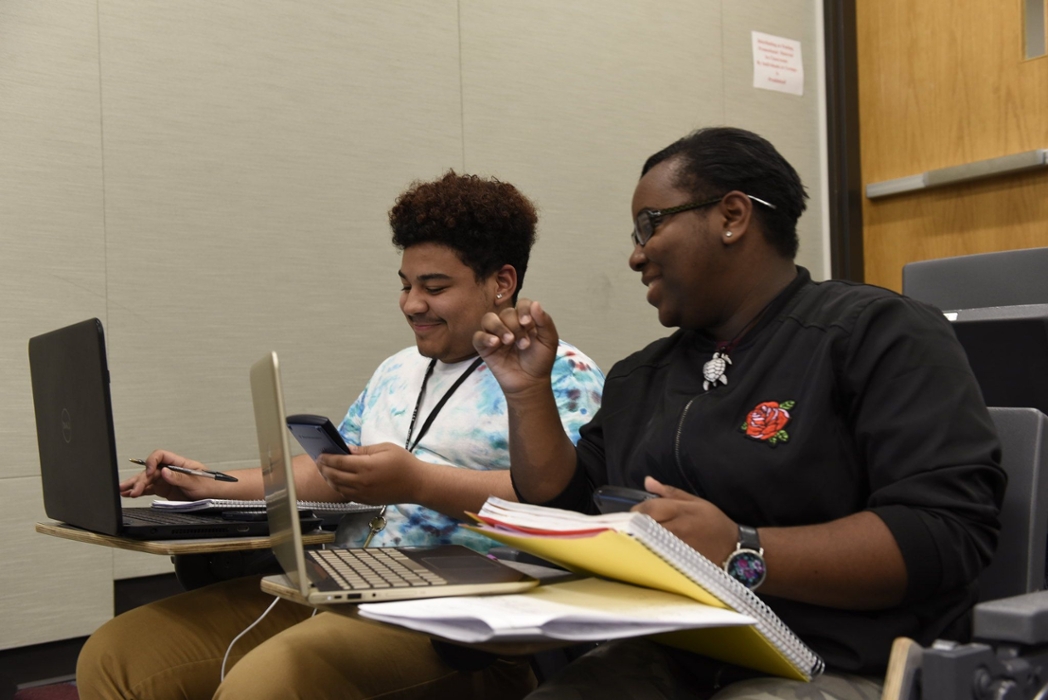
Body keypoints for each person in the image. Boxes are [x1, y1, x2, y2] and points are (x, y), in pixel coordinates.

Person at [473, 127, 1006, 699]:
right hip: (679, 655)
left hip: (842, 665)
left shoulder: (876, 332)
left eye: (651, 224)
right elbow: (569, 508)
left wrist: (741, 548)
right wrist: (527, 392)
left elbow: (945, 531)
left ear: (732, 216)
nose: (635, 255)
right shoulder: (640, 376)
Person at [77, 171, 605, 700]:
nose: (411, 304)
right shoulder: (397, 370)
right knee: (117, 656)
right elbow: (339, 473)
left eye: (435, 287)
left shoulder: (560, 374)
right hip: (341, 580)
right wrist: (210, 485)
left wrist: (417, 482)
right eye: (405, 284)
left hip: (461, 620)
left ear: (502, 282)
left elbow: (561, 505)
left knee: (264, 687)